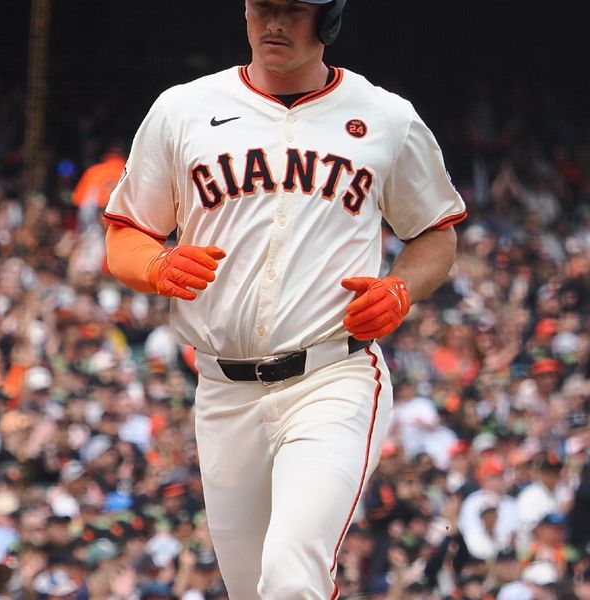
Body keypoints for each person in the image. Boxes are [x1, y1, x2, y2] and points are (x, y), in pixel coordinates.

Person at [103, 0, 465, 597]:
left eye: (293, 10)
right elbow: (126, 233)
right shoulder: (182, 109)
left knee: (293, 571)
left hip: (331, 378)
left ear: (329, 20)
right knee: (254, 590)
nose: (274, 23)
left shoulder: (385, 117)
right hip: (223, 393)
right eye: (261, 7)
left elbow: (434, 233)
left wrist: (403, 287)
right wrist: (156, 264)